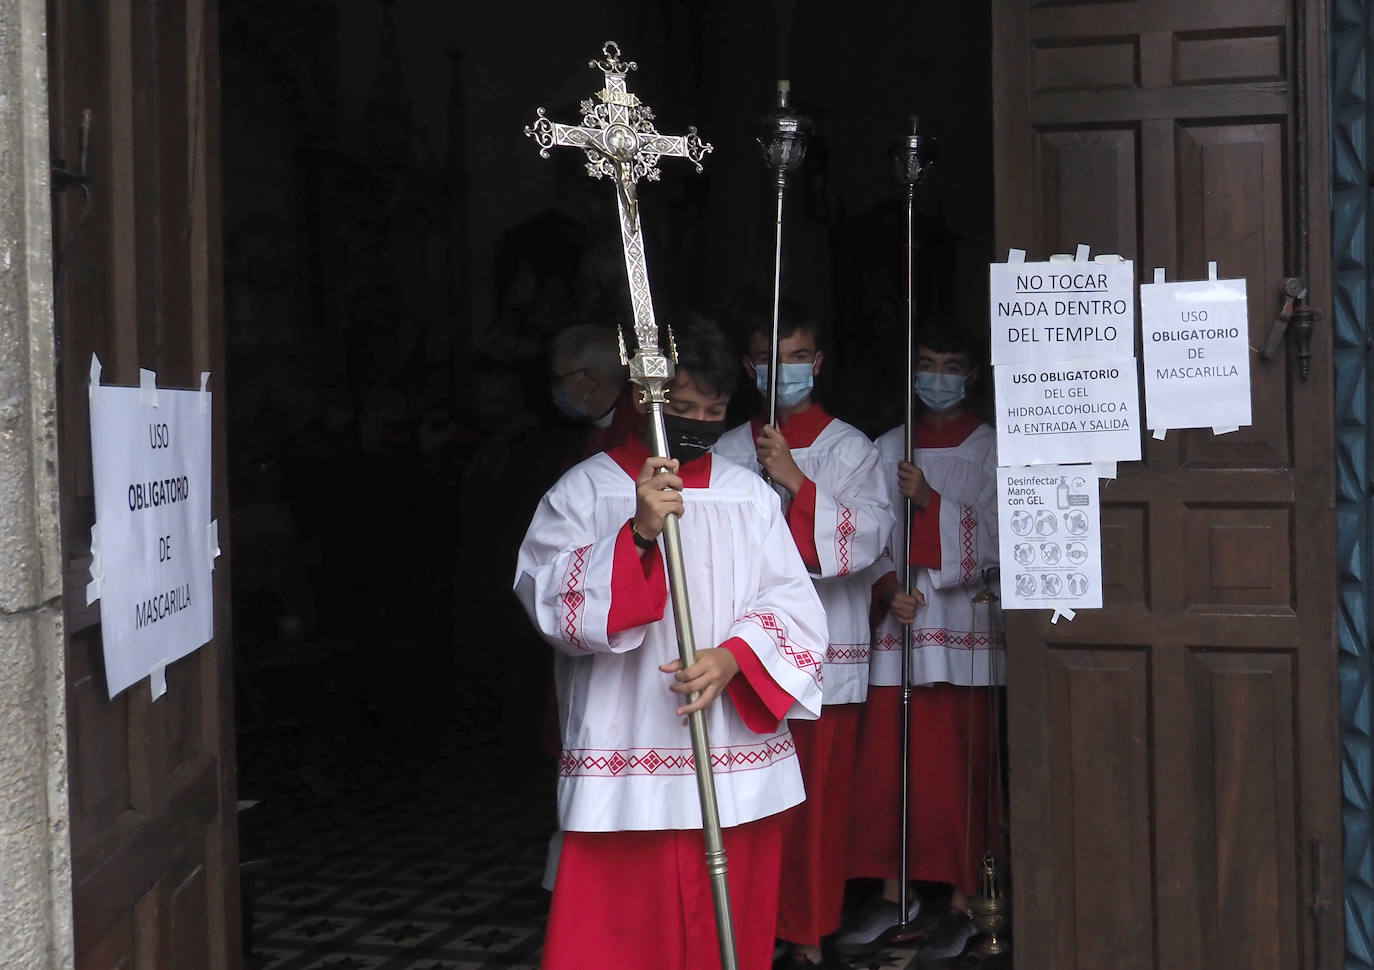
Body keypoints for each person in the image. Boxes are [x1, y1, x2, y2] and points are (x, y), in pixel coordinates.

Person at [514, 316, 829, 970]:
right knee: (620, 936)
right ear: (644, 398)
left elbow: (795, 605)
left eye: (714, 412)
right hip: (627, 746)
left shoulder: (748, 496)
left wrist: (734, 658)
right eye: (683, 408)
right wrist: (636, 535)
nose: (699, 424)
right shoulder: (585, 490)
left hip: (729, 751)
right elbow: (550, 601)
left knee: (727, 927)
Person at [713, 300, 894, 969]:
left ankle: (809, 932)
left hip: (825, 651)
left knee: (815, 807)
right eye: (768, 358)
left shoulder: (850, 448)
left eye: (794, 357)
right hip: (744, 650)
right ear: (748, 366)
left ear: (816, 364)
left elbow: (867, 538)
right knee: (748, 804)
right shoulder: (728, 449)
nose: (781, 369)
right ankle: (749, 927)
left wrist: (794, 480)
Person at [838, 325, 1002, 962]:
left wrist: (931, 500)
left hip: (966, 634)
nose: (937, 378)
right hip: (900, 632)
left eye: (951, 366)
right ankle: (894, 893)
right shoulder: (886, 448)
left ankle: (966, 899)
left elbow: (1003, 538)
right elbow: (866, 533)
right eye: (927, 364)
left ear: (972, 375)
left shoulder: (992, 449)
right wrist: (887, 587)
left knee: (962, 772)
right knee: (893, 771)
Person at [548, 322, 641, 457]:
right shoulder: (581, 437)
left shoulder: (638, 433)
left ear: (589, 380)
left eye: (559, 378)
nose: (557, 386)